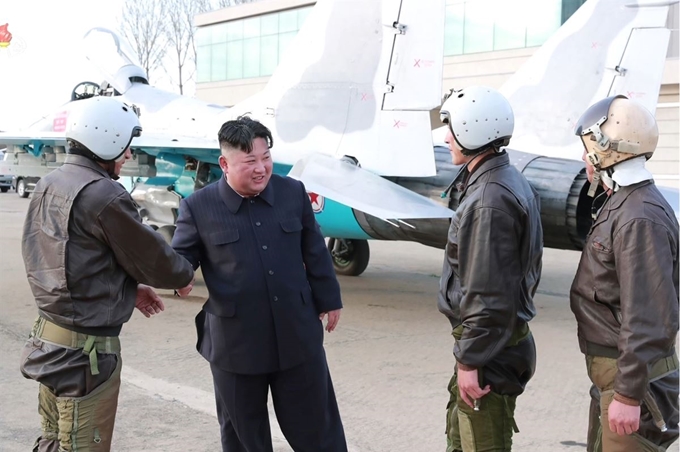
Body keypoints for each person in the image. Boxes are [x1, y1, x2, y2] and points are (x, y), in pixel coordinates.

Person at [19, 96, 195, 452]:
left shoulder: (49, 183)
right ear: (107, 140)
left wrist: (127, 290)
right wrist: (183, 274)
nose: (128, 155)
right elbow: (154, 256)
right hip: (85, 354)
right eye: (126, 146)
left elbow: (63, 260)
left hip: (49, 339)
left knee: (53, 442)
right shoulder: (104, 194)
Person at [171, 116, 347, 452]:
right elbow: (180, 258)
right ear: (224, 163)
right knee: (243, 438)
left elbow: (314, 248)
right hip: (236, 345)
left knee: (319, 432)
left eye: (265, 158)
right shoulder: (198, 207)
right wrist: (176, 279)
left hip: (296, 335)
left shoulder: (292, 192)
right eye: (250, 161)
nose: (261, 168)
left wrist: (329, 297)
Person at [437, 85, 543, 452]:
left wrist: (469, 361)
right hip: (494, 346)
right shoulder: (501, 179)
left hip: (489, 354)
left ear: (473, 131)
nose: (446, 137)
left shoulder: (488, 200)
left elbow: (488, 294)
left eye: (452, 128)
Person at [570, 95, 679, 452]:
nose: (585, 158)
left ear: (608, 150)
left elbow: (648, 315)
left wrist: (629, 394)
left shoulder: (638, 217)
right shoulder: (625, 203)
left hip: (629, 376)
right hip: (617, 373)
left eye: (588, 149)